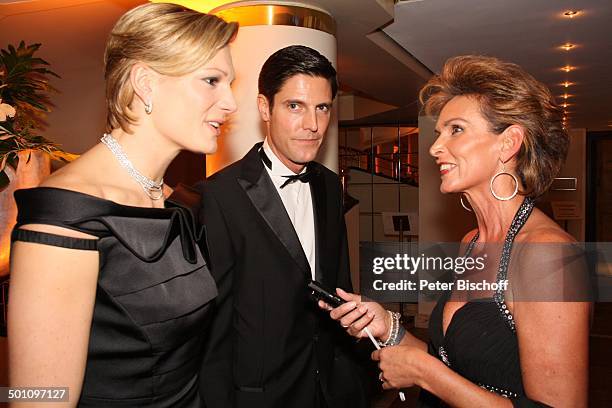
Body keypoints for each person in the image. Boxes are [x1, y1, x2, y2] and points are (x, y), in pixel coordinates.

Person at [321, 55, 590, 407]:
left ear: (508, 143)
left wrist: (423, 372)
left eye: (457, 130)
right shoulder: (472, 242)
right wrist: (389, 328)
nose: (435, 148)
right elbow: (457, 365)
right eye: (439, 133)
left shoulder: (548, 256)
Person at [8, 3, 237, 407]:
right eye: (212, 80)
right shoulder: (65, 219)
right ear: (146, 84)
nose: (231, 103)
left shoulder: (169, 203)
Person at [197, 45, 369, 408]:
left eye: (322, 108)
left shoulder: (328, 185)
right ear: (265, 108)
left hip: (330, 391)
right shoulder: (219, 197)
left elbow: (340, 285)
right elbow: (212, 332)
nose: (312, 125)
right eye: (295, 106)